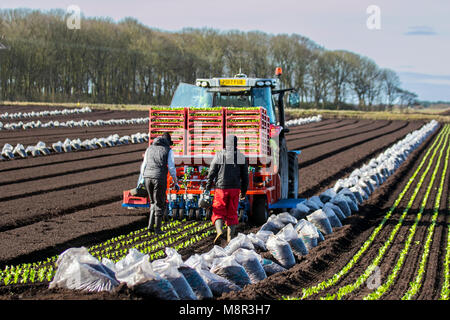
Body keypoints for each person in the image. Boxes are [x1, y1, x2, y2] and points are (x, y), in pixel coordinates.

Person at [205, 135, 249, 244]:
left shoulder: (219, 155)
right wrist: (243, 192)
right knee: (232, 212)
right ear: (236, 144)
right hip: (235, 189)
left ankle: (219, 231)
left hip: (221, 188)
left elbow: (211, 172)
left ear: (225, 144)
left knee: (218, 210)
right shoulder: (241, 156)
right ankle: (230, 239)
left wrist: (208, 187)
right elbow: (245, 177)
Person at [141, 132, 180, 234]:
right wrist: (176, 182)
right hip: (159, 178)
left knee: (153, 202)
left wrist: (142, 179)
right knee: (160, 203)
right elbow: (171, 168)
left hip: (147, 177)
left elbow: (143, 165)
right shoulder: (168, 150)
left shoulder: (149, 149)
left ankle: (150, 226)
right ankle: (157, 229)